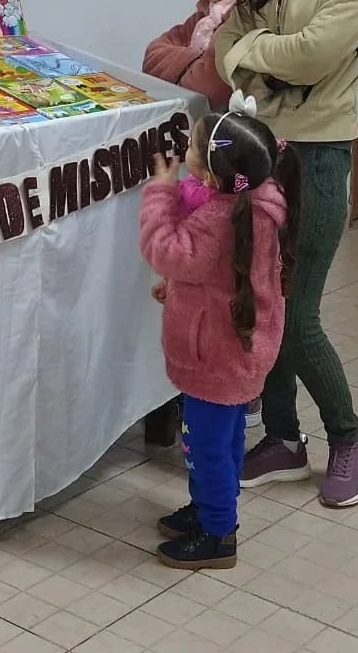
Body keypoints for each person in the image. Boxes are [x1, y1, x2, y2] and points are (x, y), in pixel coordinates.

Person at [213, 0, 358, 508]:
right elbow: (225, 44)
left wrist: (257, 48)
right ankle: (284, 438)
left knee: (298, 311)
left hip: (316, 155)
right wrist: (257, 48)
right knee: (262, 301)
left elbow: (318, 54)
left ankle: (349, 439)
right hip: (259, 148)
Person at [139, 91, 300, 570]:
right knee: (224, 440)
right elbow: (215, 274)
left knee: (204, 446)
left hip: (216, 354)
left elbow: (165, 249)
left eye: (189, 149)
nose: (182, 154)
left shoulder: (220, 216)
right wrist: (181, 291)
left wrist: (161, 192)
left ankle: (216, 535)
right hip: (240, 350)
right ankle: (213, 512)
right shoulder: (257, 200)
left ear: (211, 175)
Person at [143, 0, 269, 429]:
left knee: (222, 275)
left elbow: (208, 85)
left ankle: (234, 400)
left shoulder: (242, 20)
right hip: (209, 160)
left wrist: (191, 69)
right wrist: (189, 66)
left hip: (224, 162)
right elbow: (155, 55)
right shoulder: (206, 12)